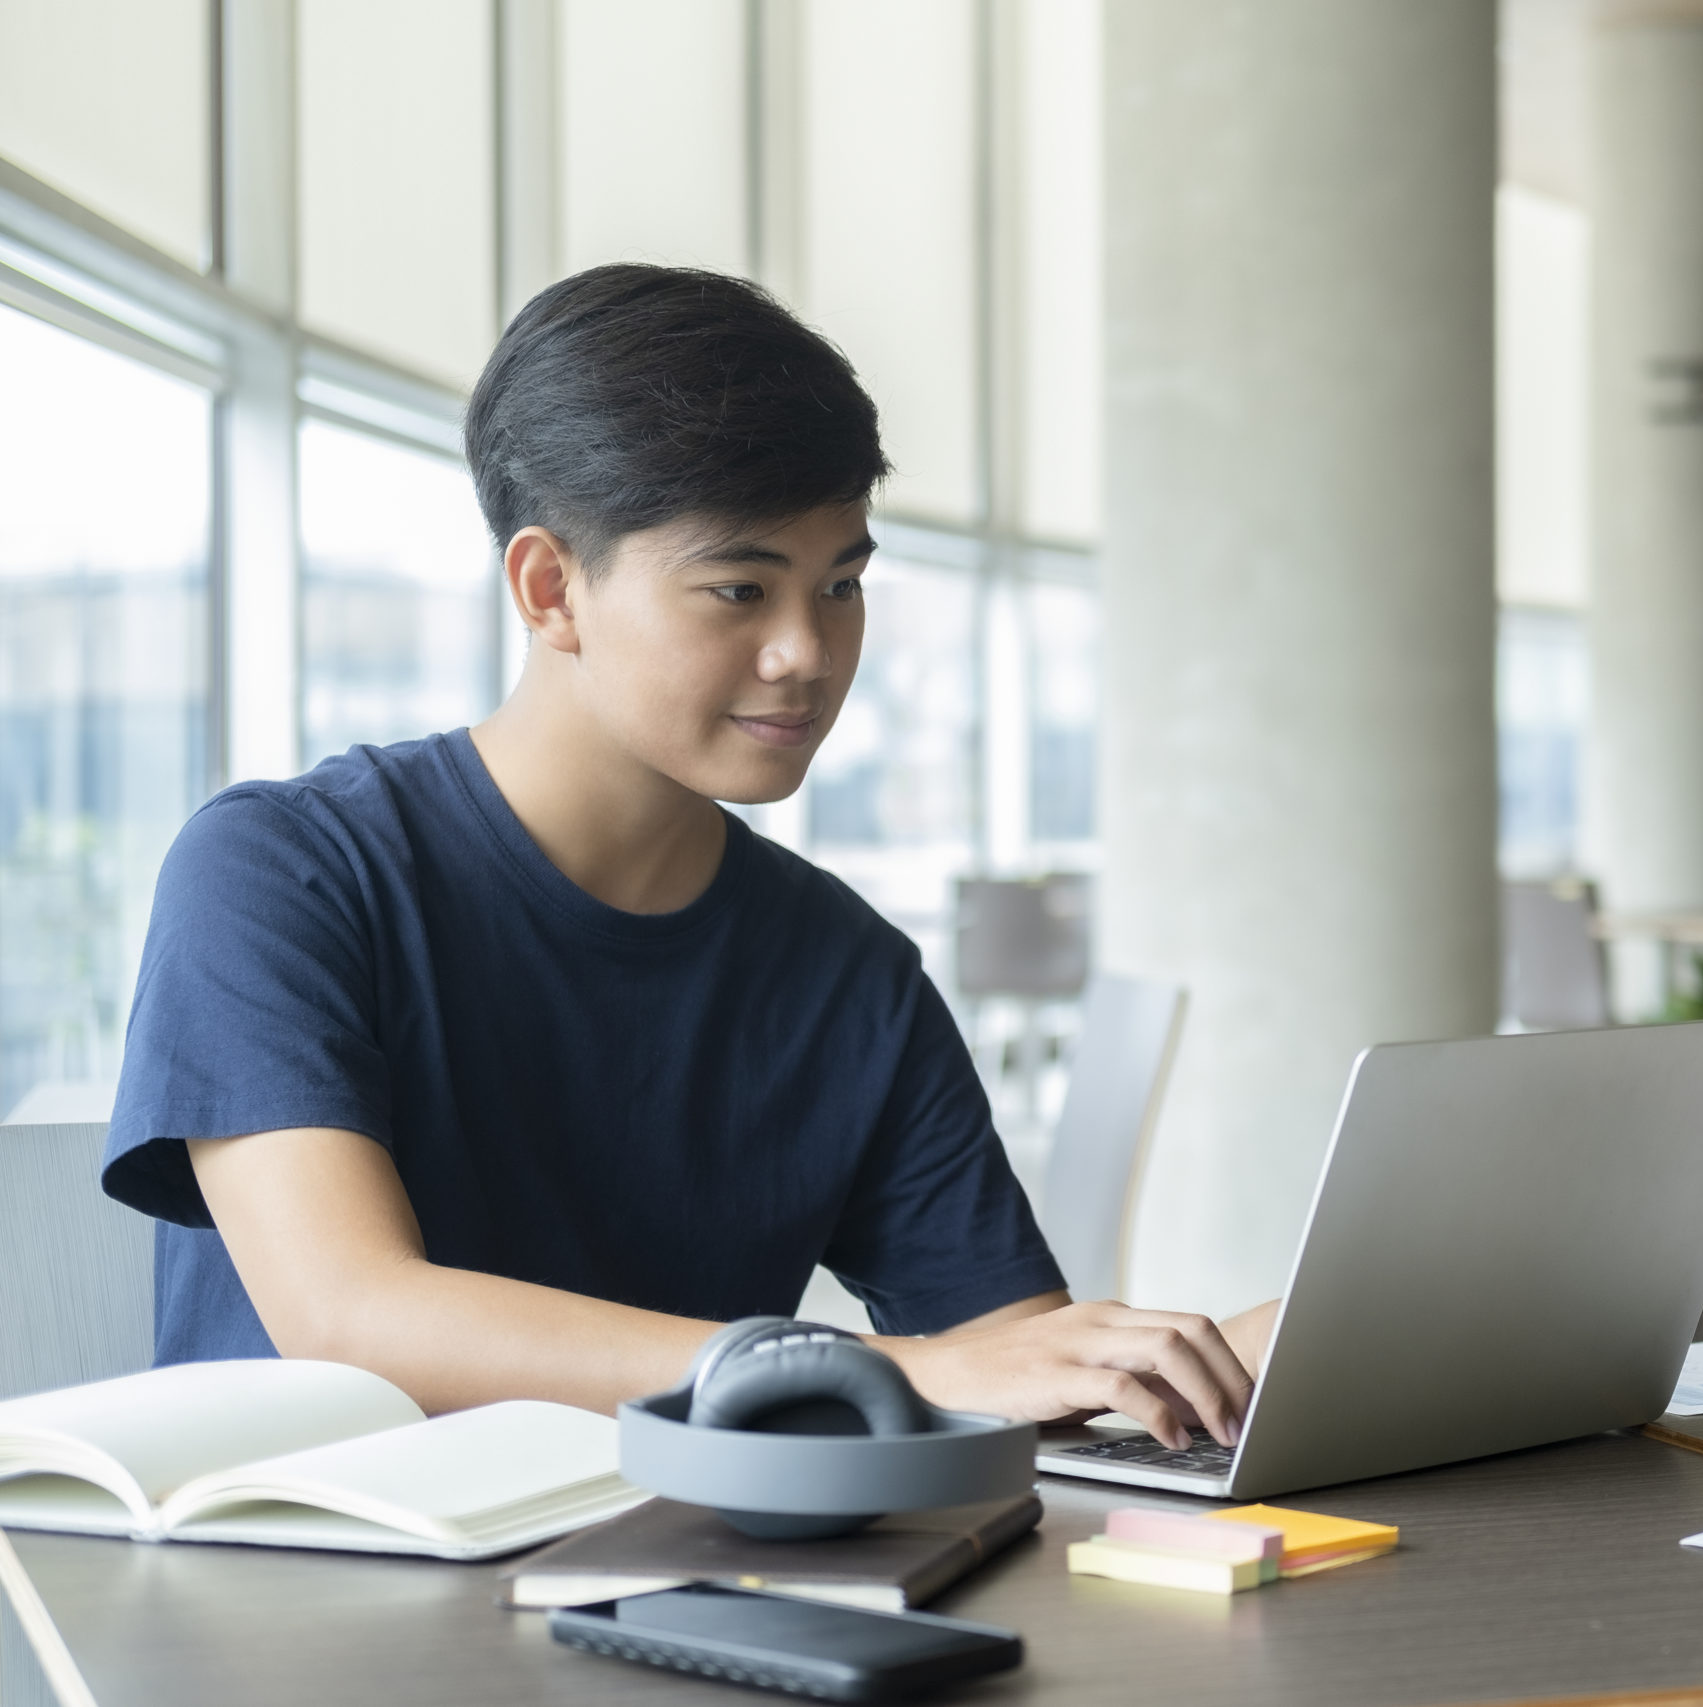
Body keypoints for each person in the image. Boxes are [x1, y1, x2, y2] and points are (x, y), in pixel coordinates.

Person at [104, 264, 1267, 1449]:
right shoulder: (283, 872)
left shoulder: (846, 971)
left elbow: (1015, 1367)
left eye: (842, 585)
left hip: (678, 1584)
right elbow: (350, 1316)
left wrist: (1254, 1352)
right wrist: (879, 1368)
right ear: (552, 589)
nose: (805, 653)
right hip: (311, 1587)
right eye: (739, 590)